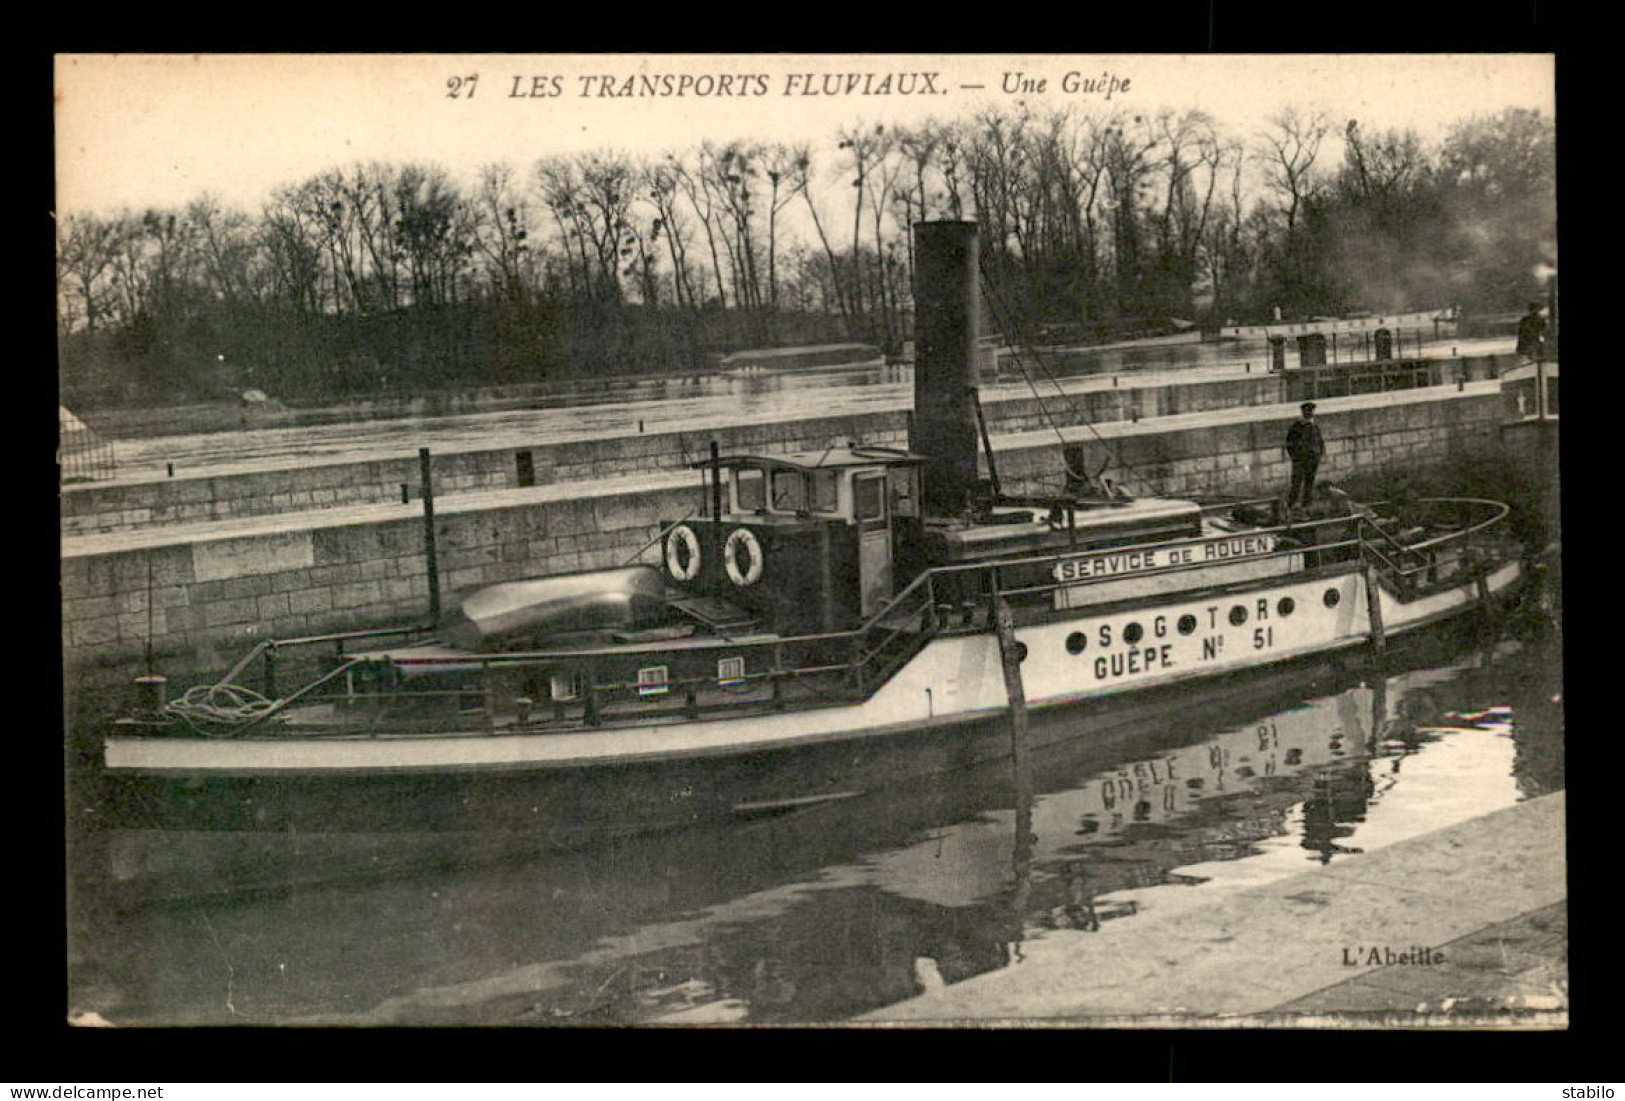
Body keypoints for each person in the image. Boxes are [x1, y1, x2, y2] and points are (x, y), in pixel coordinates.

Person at [1284, 402, 1325, 510]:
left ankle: (1306, 505)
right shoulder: (1296, 427)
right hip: (1300, 460)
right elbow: (1289, 444)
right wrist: (1296, 457)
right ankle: (1290, 506)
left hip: (1313, 460)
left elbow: (1320, 441)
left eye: (1311, 411)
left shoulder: (1314, 426)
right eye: (1307, 411)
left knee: (1309, 483)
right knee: (1296, 484)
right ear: (1303, 412)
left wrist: (1319, 454)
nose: (1310, 413)